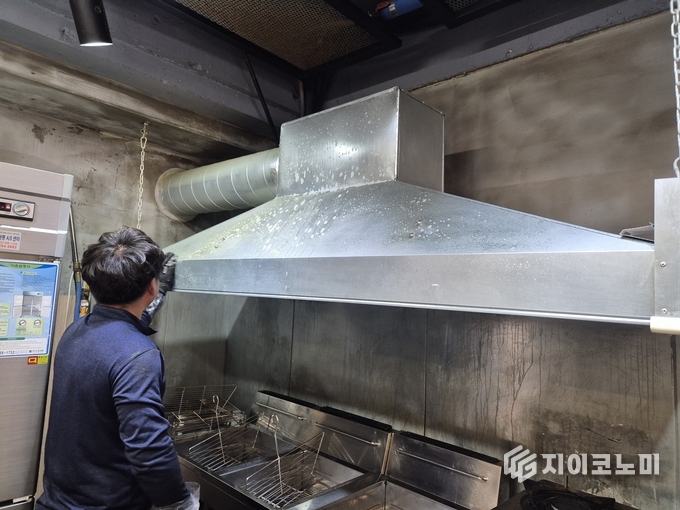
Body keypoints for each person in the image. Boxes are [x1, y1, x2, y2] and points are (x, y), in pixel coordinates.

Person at [36, 227, 197, 510]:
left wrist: (156, 294)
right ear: (150, 288)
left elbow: (120, 326)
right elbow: (149, 447)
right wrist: (180, 503)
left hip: (58, 501)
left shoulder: (77, 331)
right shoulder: (138, 355)